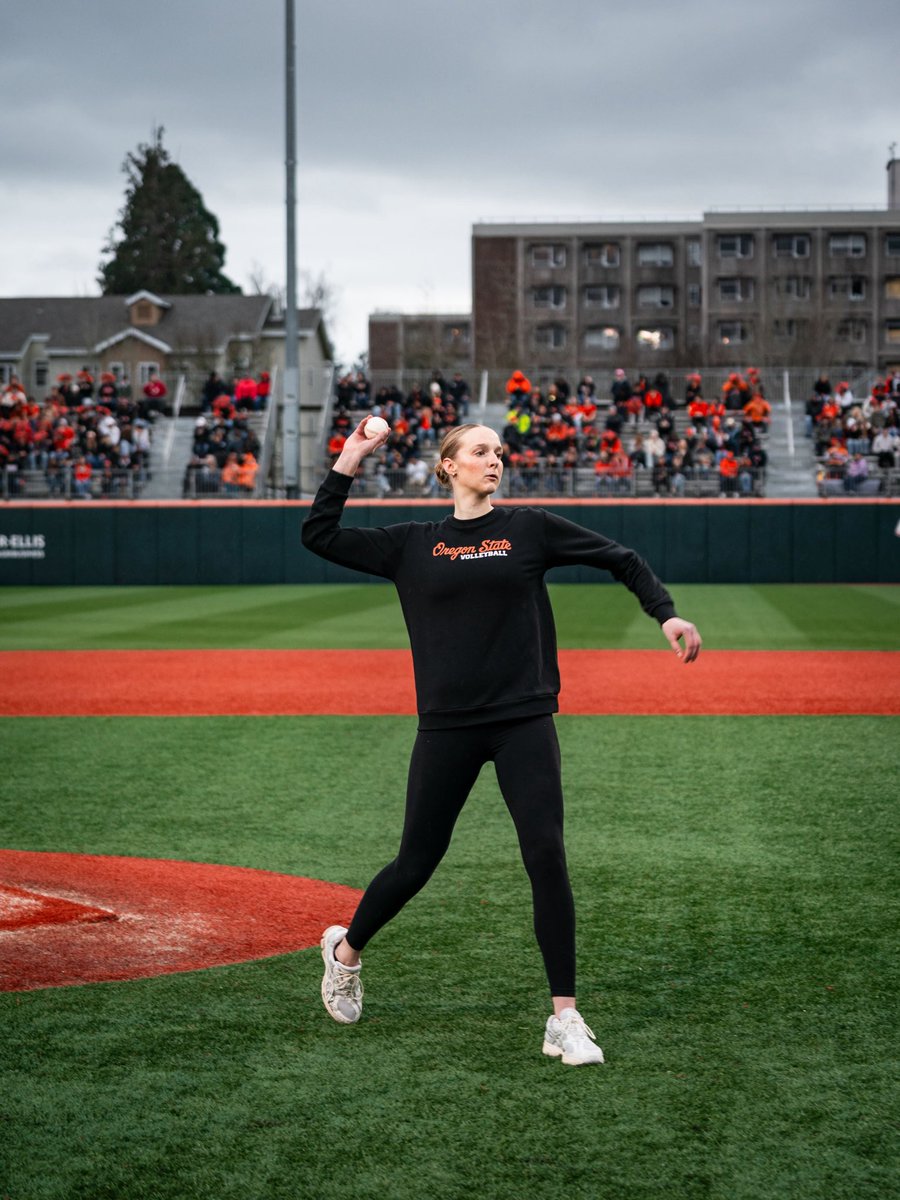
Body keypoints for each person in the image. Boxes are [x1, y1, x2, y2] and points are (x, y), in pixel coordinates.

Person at [301, 419, 701, 1066]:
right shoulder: (411, 544)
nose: (495, 460)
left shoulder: (529, 528)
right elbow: (319, 535)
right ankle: (345, 952)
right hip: (448, 725)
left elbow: (620, 558)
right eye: (481, 451)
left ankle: (564, 1018)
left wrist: (665, 611)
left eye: (499, 452)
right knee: (416, 862)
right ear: (449, 466)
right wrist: (351, 455)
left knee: (546, 853)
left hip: (523, 718)